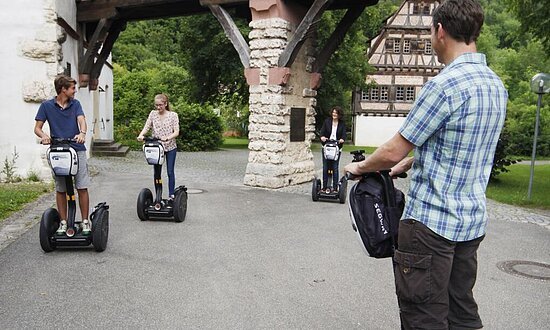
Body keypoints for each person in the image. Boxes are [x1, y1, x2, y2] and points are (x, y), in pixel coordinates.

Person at [344, 0, 507, 328]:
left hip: (430, 228)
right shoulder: (495, 86)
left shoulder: (444, 86)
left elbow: (391, 149)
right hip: (470, 225)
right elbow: (462, 147)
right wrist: (409, 165)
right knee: (462, 313)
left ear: (440, 31)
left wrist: (360, 168)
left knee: (424, 317)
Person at [34, 74, 92, 235]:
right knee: (61, 189)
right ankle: (63, 222)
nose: (75, 91)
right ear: (63, 89)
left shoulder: (76, 104)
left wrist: (82, 133)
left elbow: (82, 120)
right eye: (72, 88)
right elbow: (37, 128)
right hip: (58, 151)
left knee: (81, 186)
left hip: (76, 149)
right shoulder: (46, 106)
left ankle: (86, 221)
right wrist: (44, 136)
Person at [137, 94, 180, 200]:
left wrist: (168, 137)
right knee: (157, 173)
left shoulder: (173, 115)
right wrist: (141, 135)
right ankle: (158, 195)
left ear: (165, 104)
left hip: (170, 147)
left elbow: (177, 132)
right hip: (157, 147)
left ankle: (171, 195)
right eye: (156, 105)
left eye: (160, 105)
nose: (158, 107)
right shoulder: (153, 114)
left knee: (170, 171)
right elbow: (147, 126)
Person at [319, 106, 346, 193]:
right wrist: (322, 137)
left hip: (337, 147)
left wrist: (342, 139)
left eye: (336, 113)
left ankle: (335, 188)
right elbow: (322, 132)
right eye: (333, 112)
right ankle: (324, 187)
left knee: (335, 167)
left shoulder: (342, 124)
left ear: (339, 115)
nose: (334, 114)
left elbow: (344, 135)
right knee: (325, 167)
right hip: (326, 146)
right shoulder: (327, 121)